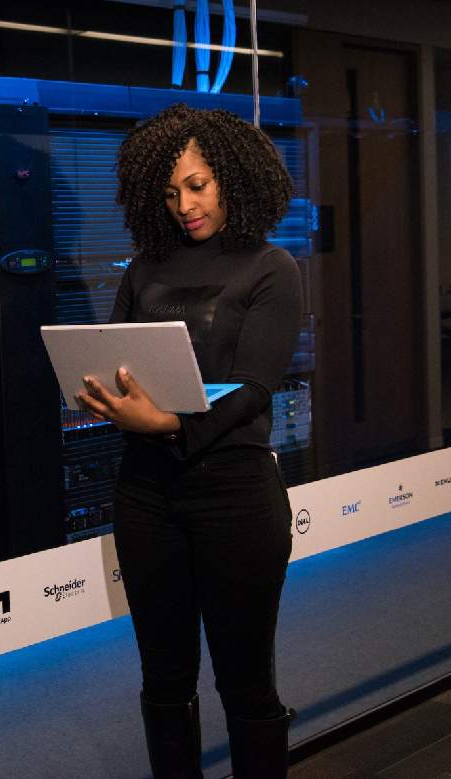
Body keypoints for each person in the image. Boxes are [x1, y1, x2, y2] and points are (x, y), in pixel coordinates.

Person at [75, 103, 302, 779]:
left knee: (246, 683)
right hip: (146, 496)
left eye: (197, 185)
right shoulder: (144, 268)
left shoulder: (271, 267)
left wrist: (169, 421)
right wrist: (106, 396)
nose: (184, 205)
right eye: (171, 192)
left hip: (236, 496)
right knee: (164, 681)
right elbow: (111, 354)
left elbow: (253, 386)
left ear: (231, 177)